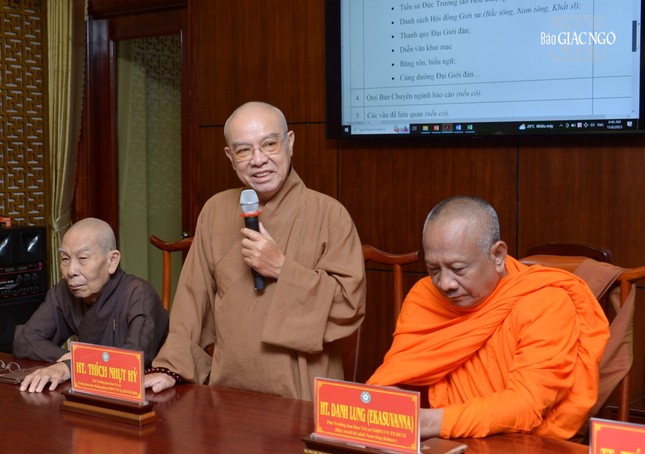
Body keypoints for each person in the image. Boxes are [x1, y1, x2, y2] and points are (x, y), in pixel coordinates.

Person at [145, 101, 366, 400]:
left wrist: (281, 269)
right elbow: (193, 298)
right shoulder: (215, 210)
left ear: (289, 143)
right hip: (227, 391)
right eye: (244, 150)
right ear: (230, 156)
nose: (258, 160)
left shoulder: (330, 214)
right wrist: (171, 367)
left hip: (303, 396)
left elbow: (348, 304)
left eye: (269, 144)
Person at [367, 196, 610, 440]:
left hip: (518, 443)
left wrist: (430, 421)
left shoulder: (545, 301)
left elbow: (525, 404)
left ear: (498, 255)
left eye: (458, 269)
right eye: (434, 269)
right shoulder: (425, 295)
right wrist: (386, 404)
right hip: (444, 442)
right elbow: (401, 375)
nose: (445, 283)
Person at [13, 217, 169, 392]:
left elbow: (133, 360)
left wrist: (71, 366)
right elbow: (24, 340)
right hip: (90, 392)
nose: (71, 271)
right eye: (65, 259)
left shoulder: (138, 294)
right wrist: (70, 359)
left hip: (148, 394)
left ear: (112, 261)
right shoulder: (65, 292)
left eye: (82, 258)